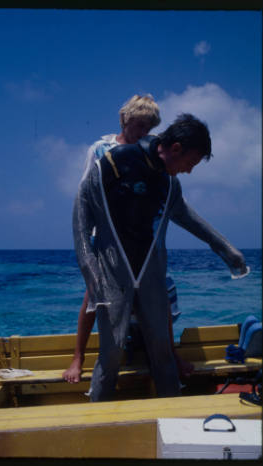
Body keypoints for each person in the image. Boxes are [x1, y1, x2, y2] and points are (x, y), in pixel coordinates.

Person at [73, 113, 248, 402]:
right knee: (112, 351)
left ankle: (172, 413)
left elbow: (190, 218)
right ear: (176, 149)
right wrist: (91, 272)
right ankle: (95, 416)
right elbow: (80, 219)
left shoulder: (169, 185)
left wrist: (226, 250)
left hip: (152, 275)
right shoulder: (112, 164)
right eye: (189, 164)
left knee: (163, 350)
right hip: (113, 273)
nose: (188, 172)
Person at [63, 95, 190, 383]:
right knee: (94, 296)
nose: (144, 133)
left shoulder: (151, 151)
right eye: (140, 125)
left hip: (144, 239)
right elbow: (86, 192)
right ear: (125, 120)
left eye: (150, 127)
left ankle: (171, 353)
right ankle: (78, 356)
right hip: (108, 239)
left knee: (163, 295)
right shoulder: (100, 149)